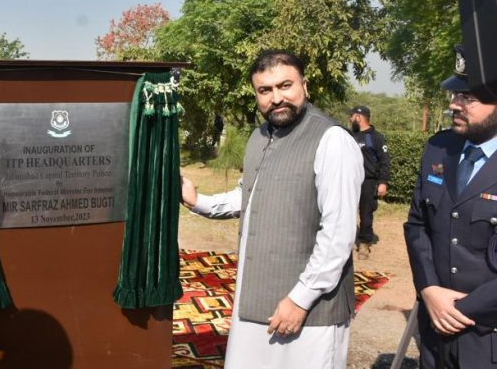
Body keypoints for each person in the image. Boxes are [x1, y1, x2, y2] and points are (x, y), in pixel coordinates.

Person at [181, 50, 363, 368]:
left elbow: (338, 233)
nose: (276, 98)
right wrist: (199, 202)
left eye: (285, 85)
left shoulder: (332, 140)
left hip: (309, 312)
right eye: (265, 90)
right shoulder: (260, 136)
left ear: (305, 85)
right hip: (255, 304)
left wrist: (300, 299)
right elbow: (249, 195)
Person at [404, 45, 497, 368]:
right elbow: (417, 225)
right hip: (436, 334)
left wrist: (461, 309)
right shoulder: (439, 148)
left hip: (488, 336)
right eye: (455, 94)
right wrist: (428, 288)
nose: (454, 104)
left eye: (468, 97)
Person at [348, 105, 391, 259]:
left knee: (366, 213)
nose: (350, 119)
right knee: (345, 212)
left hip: (368, 181)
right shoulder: (349, 135)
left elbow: (385, 161)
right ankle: (345, 241)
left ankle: (364, 243)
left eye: (352, 116)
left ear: (358, 117)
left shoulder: (376, 137)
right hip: (349, 181)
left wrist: (383, 182)